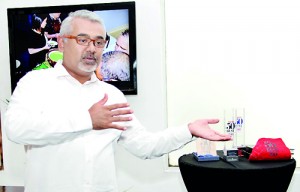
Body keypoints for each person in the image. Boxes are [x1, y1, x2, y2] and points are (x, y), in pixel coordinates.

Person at [4, 10, 231, 192]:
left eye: (99, 42)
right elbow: (16, 129)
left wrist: (188, 130)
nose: (92, 48)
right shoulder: (35, 83)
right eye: (83, 40)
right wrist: (87, 119)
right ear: (62, 43)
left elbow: (144, 145)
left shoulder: (111, 95)